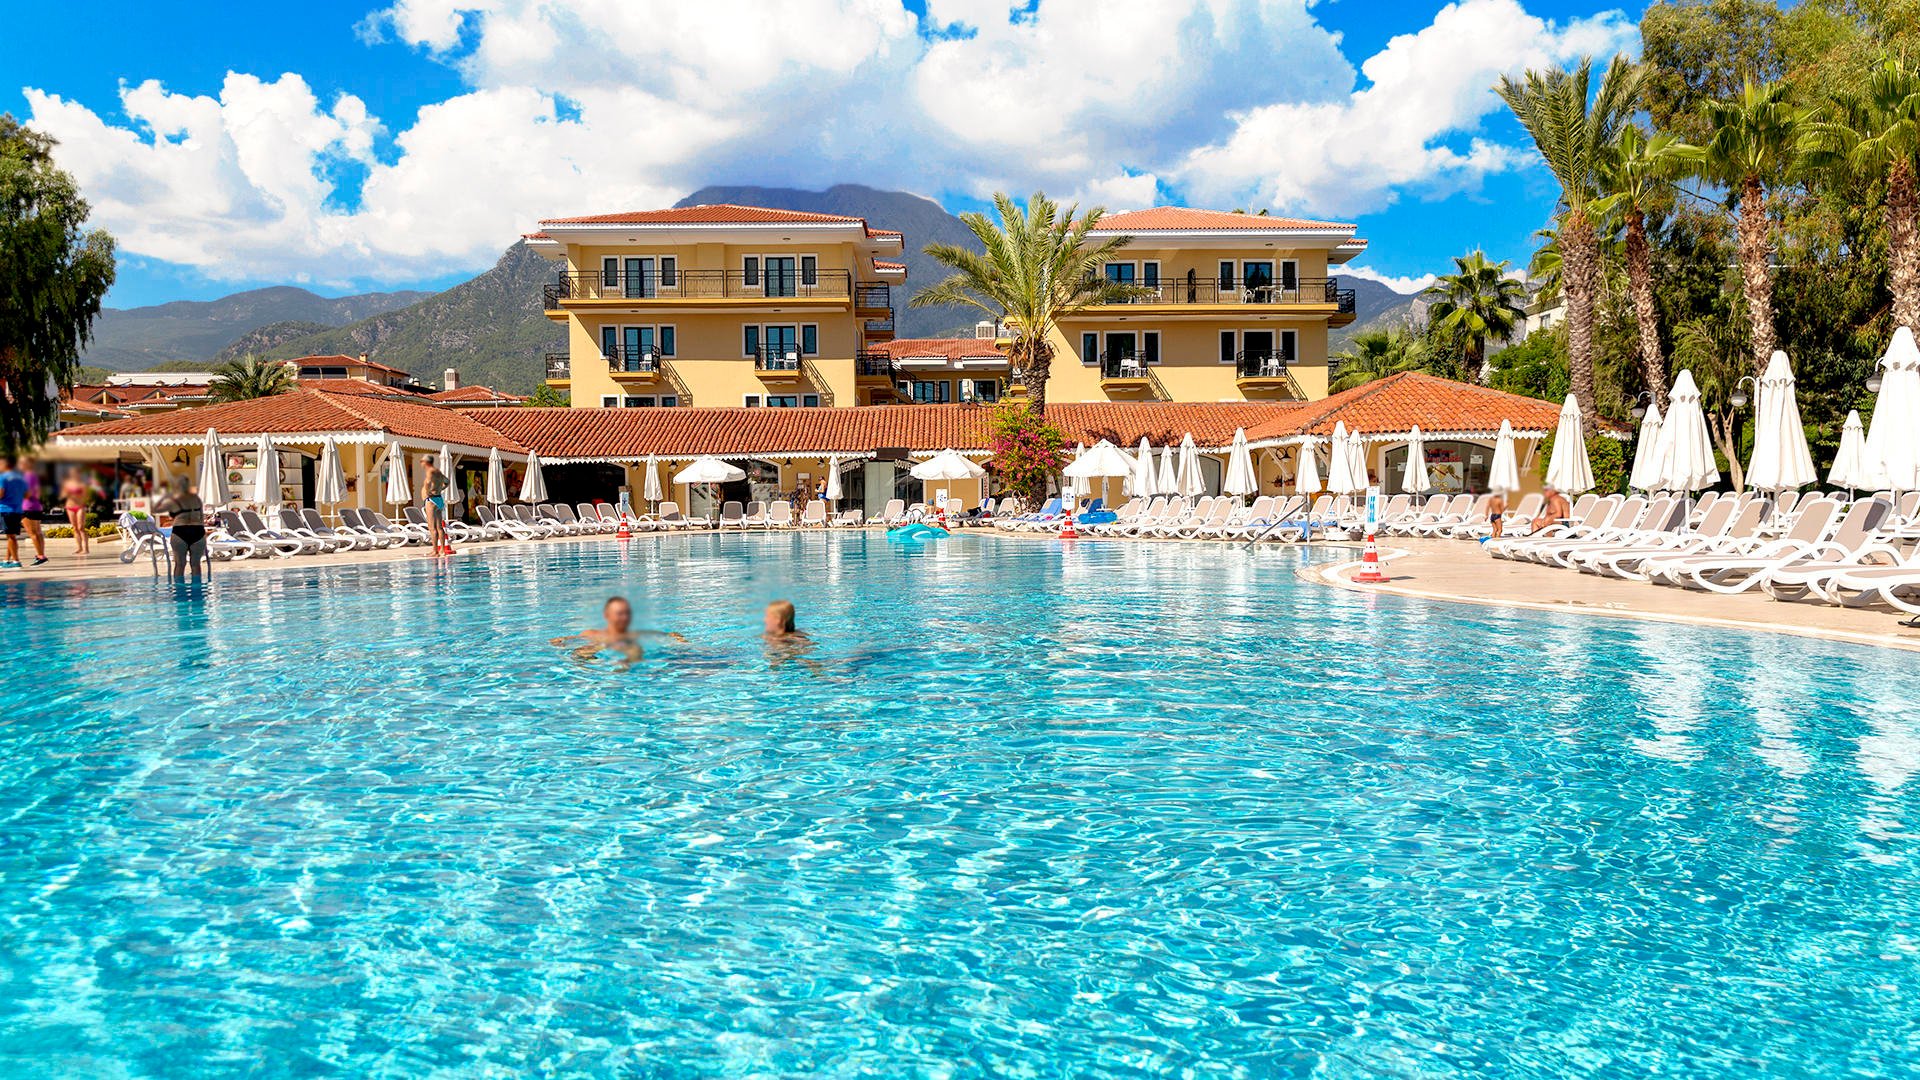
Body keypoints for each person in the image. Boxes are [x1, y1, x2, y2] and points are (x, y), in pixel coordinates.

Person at [550, 596, 685, 669]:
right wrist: (559, 642)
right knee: (582, 652)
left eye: (626, 614)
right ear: (607, 615)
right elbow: (561, 641)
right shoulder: (591, 633)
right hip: (597, 663)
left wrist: (677, 638)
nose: (624, 618)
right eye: (619, 614)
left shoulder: (634, 634)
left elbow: (669, 636)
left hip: (621, 661)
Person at [153, 475, 208, 581]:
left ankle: (179, 589)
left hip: (180, 532)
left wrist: (164, 497)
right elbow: (201, 518)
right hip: (198, 531)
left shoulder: (173, 500)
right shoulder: (196, 499)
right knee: (196, 564)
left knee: (180, 564)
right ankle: (197, 589)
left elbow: (155, 509)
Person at [17, 456, 47, 566]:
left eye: (21, 463)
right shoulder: (34, 475)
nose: (19, 465)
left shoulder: (27, 476)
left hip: (27, 507)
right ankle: (41, 555)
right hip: (36, 506)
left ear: (27, 464)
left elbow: (27, 493)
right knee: (38, 532)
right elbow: (37, 493)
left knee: (32, 533)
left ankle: (40, 556)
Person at [422, 455, 453, 556]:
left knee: (432, 528)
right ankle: (442, 550)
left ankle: (435, 550)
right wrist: (441, 489)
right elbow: (447, 482)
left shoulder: (430, 471)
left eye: (422, 462)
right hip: (439, 499)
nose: (422, 464)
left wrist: (427, 492)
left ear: (427, 462)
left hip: (431, 500)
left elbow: (427, 482)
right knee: (439, 527)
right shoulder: (438, 472)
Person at [0, 456, 25, 571]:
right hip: (17, 509)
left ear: (6, 464)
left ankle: (16, 561)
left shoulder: (3, 478)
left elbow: (1, 494)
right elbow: (27, 494)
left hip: (6, 509)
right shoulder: (19, 477)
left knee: (11, 537)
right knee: (11, 536)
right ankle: (6, 560)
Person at [62, 469, 93, 556]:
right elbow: (63, 495)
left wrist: (79, 497)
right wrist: (66, 493)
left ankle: (86, 548)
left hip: (80, 506)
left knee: (81, 528)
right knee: (75, 528)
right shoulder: (67, 484)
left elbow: (86, 496)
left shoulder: (82, 484)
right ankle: (79, 548)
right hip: (70, 506)